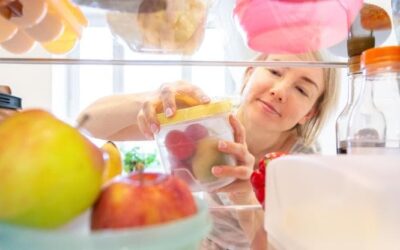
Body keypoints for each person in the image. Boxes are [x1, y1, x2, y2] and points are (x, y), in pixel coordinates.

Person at [78, 51, 339, 249]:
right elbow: (89, 122)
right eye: (274, 71)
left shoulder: (304, 163)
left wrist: (244, 195)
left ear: (309, 113)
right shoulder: (209, 120)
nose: (280, 91)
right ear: (249, 73)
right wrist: (148, 102)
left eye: (302, 89)